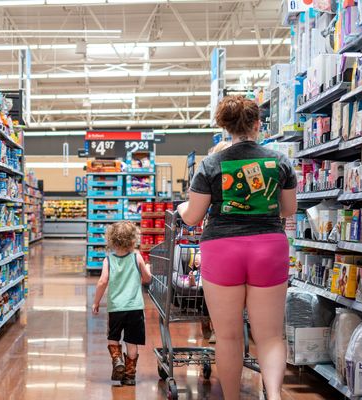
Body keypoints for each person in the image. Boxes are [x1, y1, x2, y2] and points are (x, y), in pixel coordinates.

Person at [176, 95, 298, 400]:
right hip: (269, 247)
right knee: (269, 336)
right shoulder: (279, 161)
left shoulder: (211, 164)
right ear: (258, 124)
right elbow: (288, 209)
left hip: (222, 249)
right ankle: (272, 395)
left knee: (228, 336)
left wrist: (180, 209)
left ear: (226, 127)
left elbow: (193, 216)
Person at [90, 221, 152, 386]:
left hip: (116, 308)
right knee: (131, 342)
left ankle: (117, 360)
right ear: (133, 240)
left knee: (113, 337)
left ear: (111, 241)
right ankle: (130, 376)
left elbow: (102, 282)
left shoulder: (108, 260)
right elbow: (147, 278)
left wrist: (96, 302)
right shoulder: (136, 256)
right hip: (135, 308)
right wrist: (147, 270)